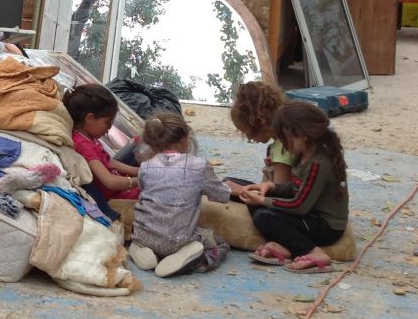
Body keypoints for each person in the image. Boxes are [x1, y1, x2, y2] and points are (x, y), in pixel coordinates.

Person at [240, 102, 349, 273]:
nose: (282, 145)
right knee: (257, 204)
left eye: (284, 139)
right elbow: (297, 188)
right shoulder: (304, 154)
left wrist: (264, 200)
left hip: (325, 226)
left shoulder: (318, 163)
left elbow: (299, 205)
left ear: (302, 136)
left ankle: (313, 252)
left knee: (264, 216)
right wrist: (271, 187)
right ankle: (284, 246)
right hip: (309, 214)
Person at [128, 112, 232, 277]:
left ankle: (139, 249)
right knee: (220, 243)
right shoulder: (199, 165)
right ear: (185, 138)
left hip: (144, 236)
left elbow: (143, 190)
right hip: (179, 240)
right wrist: (232, 189)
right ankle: (194, 257)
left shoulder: (145, 166)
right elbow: (221, 195)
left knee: (144, 232)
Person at [66, 84, 140, 201]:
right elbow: (110, 182)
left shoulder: (89, 139)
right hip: (118, 200)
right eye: (107, 122)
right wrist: (142, 181)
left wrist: (142, 172)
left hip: (125, 192)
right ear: (89, 118)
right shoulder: (83, 145)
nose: (109, 128)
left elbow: (109, 162)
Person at [225, 82, 294, 198]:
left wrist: (242, 191)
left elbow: (280, 194)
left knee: (227, 189)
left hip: (287, 204)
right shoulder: (285, 132)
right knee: (226, 183)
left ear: (260, 122)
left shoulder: (283, 146)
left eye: (248, 132)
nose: (249, 138)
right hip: (288, 194)